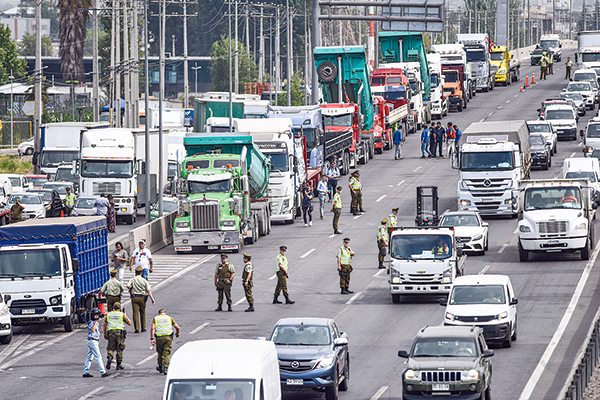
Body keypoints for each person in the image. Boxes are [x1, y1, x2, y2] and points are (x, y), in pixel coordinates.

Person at [151, 308, 180, 375]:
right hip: (168, 337)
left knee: (160, 352)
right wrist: (177, 333)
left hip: (159, 337)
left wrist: (152, 338)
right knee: (166, 352)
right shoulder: (169, 318)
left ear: (159, 313)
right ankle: (166, 367)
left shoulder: (156, 318)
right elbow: (177, 327)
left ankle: (160, 366)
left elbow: (152, 328)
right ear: (165, 313)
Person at [103, 302, 131, 371]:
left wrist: (104, 333)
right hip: (119, 332)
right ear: (120, 308)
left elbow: (105, 323)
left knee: (111, 347)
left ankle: (110, 357)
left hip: (111, 332)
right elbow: (129, 322)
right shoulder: (121, 314)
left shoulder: (109, 314)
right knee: (119, 348)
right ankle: (118, 364)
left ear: (113, 308)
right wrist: (125, 315)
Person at [127, 266, 156, 333]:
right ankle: (143, 327)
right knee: (143, 312)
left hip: (134, 297)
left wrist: (130, 289)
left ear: (135, 272)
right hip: (142, 297)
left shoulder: (132, 279)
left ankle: (137, 328)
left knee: (135, 313)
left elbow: (128, 286)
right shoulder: (144, 280)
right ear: (141, 273)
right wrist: (152, 299)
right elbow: (148, 290)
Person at [82, 309, 110, 378]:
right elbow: (93, 329)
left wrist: (105, 314)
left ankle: (85, 371)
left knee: (90, 357)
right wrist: (96, 321)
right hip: (92, 341)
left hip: (94, 341)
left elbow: (103, 315)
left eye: (97, 315)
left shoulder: (96, 321)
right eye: (95, 315)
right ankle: (103, 372)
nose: (96, 317)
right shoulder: (91, 322)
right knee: (98, 356)